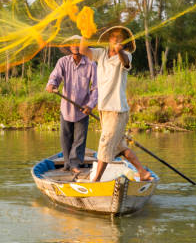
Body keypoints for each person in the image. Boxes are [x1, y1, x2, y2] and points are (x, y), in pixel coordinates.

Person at [79, 26, 152, 182]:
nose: (116, 39)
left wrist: (119, 51)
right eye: (113, 36)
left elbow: (125, 63)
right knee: (120, 147)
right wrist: (85, 34)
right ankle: (142, 172)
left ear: (124, 41)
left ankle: (96, 180)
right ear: (109, 39)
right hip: (104, 108)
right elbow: (83, 50)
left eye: (120, 37)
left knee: (105, 144)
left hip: (117, 110)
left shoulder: (126, 55)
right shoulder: (101, 54)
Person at [46, 35, 97, 174]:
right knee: (66, 137)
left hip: (83, 107)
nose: (75, 46)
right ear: (69, 47)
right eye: (72, 44)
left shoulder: (91, 64)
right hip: (66, 107)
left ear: (83, 47)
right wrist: (51, 84)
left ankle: (75, 164)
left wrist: (90, 105)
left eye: (78, 44)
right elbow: (55, 76)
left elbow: (96, 87)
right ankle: (68, 164)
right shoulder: (63, 61)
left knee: (80, 138)